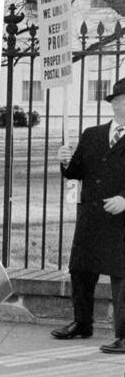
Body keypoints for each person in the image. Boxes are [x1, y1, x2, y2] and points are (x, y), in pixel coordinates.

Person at [53, 78, 125, 353]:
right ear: (115, 103)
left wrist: (124, 199)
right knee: (81, 270)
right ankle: (82, 323)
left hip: (121, 219)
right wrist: (64, 160)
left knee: (122, 278)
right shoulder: (92, 134)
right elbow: (75, 172)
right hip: (92, 216)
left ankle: (124, 334)